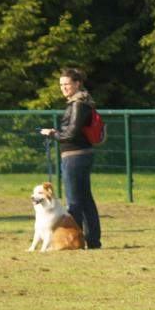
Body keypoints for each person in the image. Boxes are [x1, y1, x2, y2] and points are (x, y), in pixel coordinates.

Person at [39, 68, 101, 249]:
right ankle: (93, 240)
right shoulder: (83, 102)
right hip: (82, 155)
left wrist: (53, 133)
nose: (63, 88)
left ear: (77, 84)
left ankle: (75, 241)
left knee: (74, 201)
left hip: (74, 156)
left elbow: (71, 133)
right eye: (61, 85)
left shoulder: (78, 104)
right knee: (86, 200)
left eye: (66, 84)